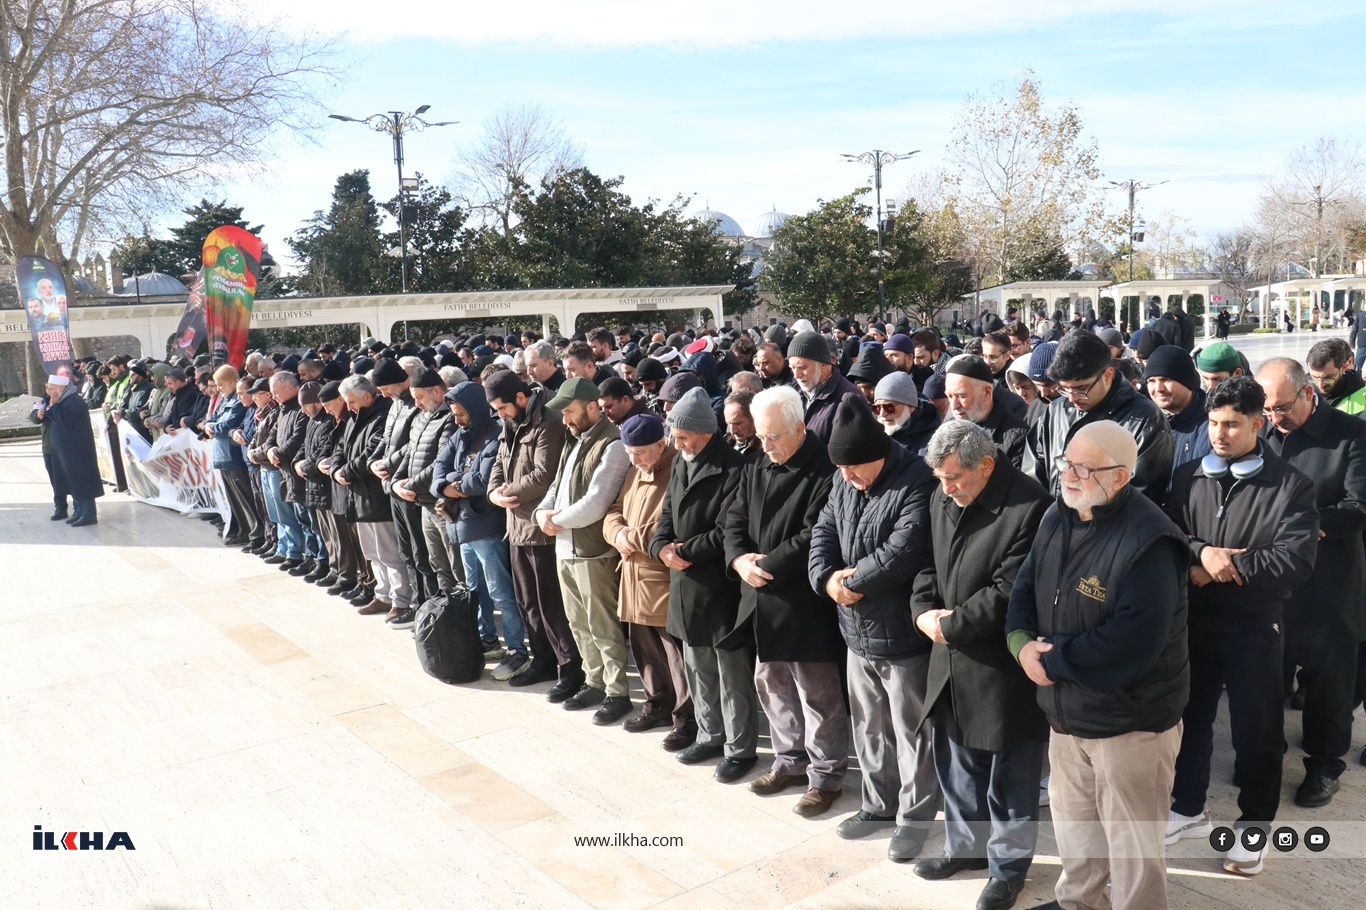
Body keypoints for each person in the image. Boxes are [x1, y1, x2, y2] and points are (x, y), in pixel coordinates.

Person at [1006, 421, 1189, 910]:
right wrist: (1021, 644)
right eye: (1068, 462)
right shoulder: (1057, 514)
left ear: (1122, 476)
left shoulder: (1152, 542)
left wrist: (1054, 661)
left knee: (1133, 846)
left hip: (1131, 721)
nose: (1071, 474)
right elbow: (1024, 587)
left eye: (1086, 468)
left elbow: (1133, 643)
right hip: (1066, 712)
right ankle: (1079, 903)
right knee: (1075, 825)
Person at [1164, 376, 1319, 875]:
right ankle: (1187, 809)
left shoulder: (1291, 485)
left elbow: (1293, 561)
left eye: (1232, 424)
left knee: (1258, 733)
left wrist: (1218, 569)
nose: (1220, 433)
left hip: (1255, 628)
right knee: (1191, 723)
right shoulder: (1189, 475)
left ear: (1258, 423)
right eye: (1212, 423)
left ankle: (1256, 826)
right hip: (1196, 624)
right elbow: (1171, 535)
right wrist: (1199, 552)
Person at [911, 418, 1050, 910]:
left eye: (955, 479)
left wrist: (950, 626)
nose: (946, 490)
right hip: (948, 656)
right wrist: (923, 610)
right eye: (940, 480)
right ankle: (965, 848)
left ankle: (1008, 868)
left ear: (986, 465)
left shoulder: (1030, 506)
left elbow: (1009, 590)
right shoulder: (944, 496)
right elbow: (928, 563)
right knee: (956, 766)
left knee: (1010, 775)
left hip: (999, 667)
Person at [809, 396, 939, 863]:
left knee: (911, 732)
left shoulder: (916, 481)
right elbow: (822, 529)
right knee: (868, 727)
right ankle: (878, 805)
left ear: (879, 454)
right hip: (855, 633)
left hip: (902, 634)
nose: (847, 477)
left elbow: (904, 550)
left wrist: (852, 583)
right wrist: (826, 579)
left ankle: (915, 817)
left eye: (855, 468)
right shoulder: (844, 478)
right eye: (841, 469)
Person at [723, 386, 848, 818]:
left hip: (801, 602)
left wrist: (766, 566)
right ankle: (789, 761)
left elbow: (816, 532)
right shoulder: (757, 462)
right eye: (761, 436)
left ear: (800, 427)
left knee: (818, 694)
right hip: (758, 596)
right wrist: (739, 560)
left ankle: (825, 776)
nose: (766, 444)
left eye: (774, 436)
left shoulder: (825, 469)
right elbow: (734, 518)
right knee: (771, 684)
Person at [1256, 358, 1366, 808]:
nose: (1275, 418)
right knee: (1267, 679)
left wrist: (1306, 524)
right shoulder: (1263, 434)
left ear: (1308, 393)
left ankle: (1324, 766)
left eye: (1282, 408)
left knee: (1328, 687)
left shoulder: (1350, 435)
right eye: (1267, 411)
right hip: (1272, 585)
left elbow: (1359, 506)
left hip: (1329, 583)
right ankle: (1266, 755)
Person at [649, 387, 758, 782]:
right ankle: (711, 734)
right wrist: (661, 547)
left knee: (731, 673)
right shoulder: (681, 461)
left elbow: (729, 527)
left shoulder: (733, 468)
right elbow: (666, 513)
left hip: (718, 586)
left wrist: (686, 551)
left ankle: (740, 747)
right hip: (683, 582)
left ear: (704, 434)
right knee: (697, 666)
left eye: (681, 435)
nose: (674, 442)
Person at [535, 377, 634, 725]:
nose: (565, 420)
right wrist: (541, 514)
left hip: (593, 552)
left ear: (592, 407)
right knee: (579, 623)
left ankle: (617, 691)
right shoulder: (573, 441)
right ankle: (594, 682)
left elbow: (597, 502)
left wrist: (554, 520)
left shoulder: (614, 444)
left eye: (570, 412)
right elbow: (556, 488)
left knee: (602, 625)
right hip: (565, 547)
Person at [485, 370, 585, 699]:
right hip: (515, 526)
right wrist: (493, 494)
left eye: (502, 408)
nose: (499, 415)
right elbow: (499, 463)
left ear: (521, 398)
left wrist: (507, 493)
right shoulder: (508, 423)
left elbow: (544, 475)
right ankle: (542, 660)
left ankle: (570, 669)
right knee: (528, 603)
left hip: (542, 529)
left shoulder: (550, 421)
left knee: (551, 605)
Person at [603, 415, 695, 743]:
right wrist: (617, 533)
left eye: (640, 452)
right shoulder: (634, 470)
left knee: (674, 653)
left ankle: (686, 719)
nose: (634, 459)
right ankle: (657, 704)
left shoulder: (678, 469)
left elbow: (673, 524)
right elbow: (613, 510)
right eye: (629, 453)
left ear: (661, 444)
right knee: (644, 649)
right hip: (631, 575)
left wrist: (633, 539)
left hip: (661, 576)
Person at [1023, 329, 1173, 503]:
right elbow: (1032, 475)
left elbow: (1140, 496)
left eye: (1081, 389)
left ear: (1107, 375)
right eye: (1064, 389)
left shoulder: (1146, 420)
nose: (1071, 399)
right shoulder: (1055, 410)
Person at [334, 376, 407, 615]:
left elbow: (371, 454)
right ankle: (383, 594)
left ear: (367, 396)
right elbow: (341, 448)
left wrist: (345, 471)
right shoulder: (354, 418)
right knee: (373, 553)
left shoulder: (382, 416)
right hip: (359, 496)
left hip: (377, 497)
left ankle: (401, 599)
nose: (350, 407)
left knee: (389, 553)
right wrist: (336, 468)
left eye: (352, 401)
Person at [390, 367, 456, 627]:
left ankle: (462, 619)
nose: (415, 404)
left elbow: (441, 461)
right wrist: (396, 481)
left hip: (441, 505)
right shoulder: (421, 417)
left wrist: (412, 485)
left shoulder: (449, 417)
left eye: (419, 397)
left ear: (437, 392)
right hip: (423, 504)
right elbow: (410, 454)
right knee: (436, 564)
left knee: (454, 568)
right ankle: (444, 618)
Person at [37, 374, 104, 526]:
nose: (50, 393)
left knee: (82, 481)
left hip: (78, 450)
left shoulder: (74, 401)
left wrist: (53, 406)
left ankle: (89, 514)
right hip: (66, 451)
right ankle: (79, 511)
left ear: (62, 388)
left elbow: (64, 420)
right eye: (49, 389)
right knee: (72, 481)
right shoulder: (64, 400)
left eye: (53, 389)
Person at [944, 356, 1028, 468]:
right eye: (949, 396)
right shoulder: (947, 429)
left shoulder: (1017, 437)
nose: (954, 406)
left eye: (962, 396)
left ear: (987, 392)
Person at [1142, 345, 1212, 472]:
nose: (1158, 388)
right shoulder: (1144, 424)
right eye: (1151, 381)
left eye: (1166, 379)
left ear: (1187, 382)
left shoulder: (1213, 424)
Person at [787, 331, 862, 445]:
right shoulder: (791, 393)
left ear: (823, 365)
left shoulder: (850, 399)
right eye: (792, 368)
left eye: (802, 367)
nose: (796, 375)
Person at [1306, 338, 1366, 414]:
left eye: (1328, 377)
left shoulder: (1362, 394)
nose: (1321, 384)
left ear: (1344, 367)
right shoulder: (1300, 391)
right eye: (1315, 377)